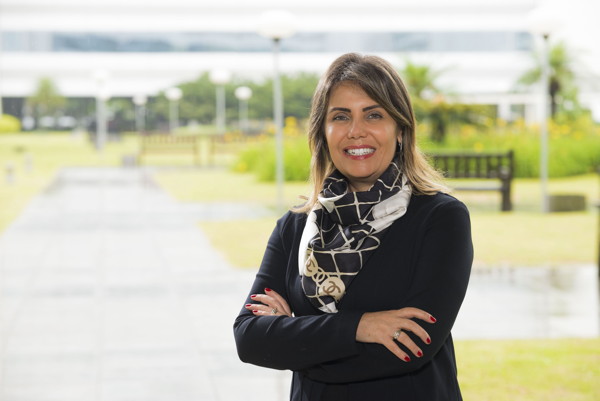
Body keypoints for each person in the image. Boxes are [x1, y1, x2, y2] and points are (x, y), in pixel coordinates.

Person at [233, 53, 473, 401]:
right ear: (323, 132)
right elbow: (249, 338)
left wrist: (292, 340)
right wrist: (359, 326)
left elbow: (412, 347)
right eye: (340, 117)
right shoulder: (296, 226)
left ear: (400, 129)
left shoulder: (439, 218)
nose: (356, 131)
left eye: (373, 115)